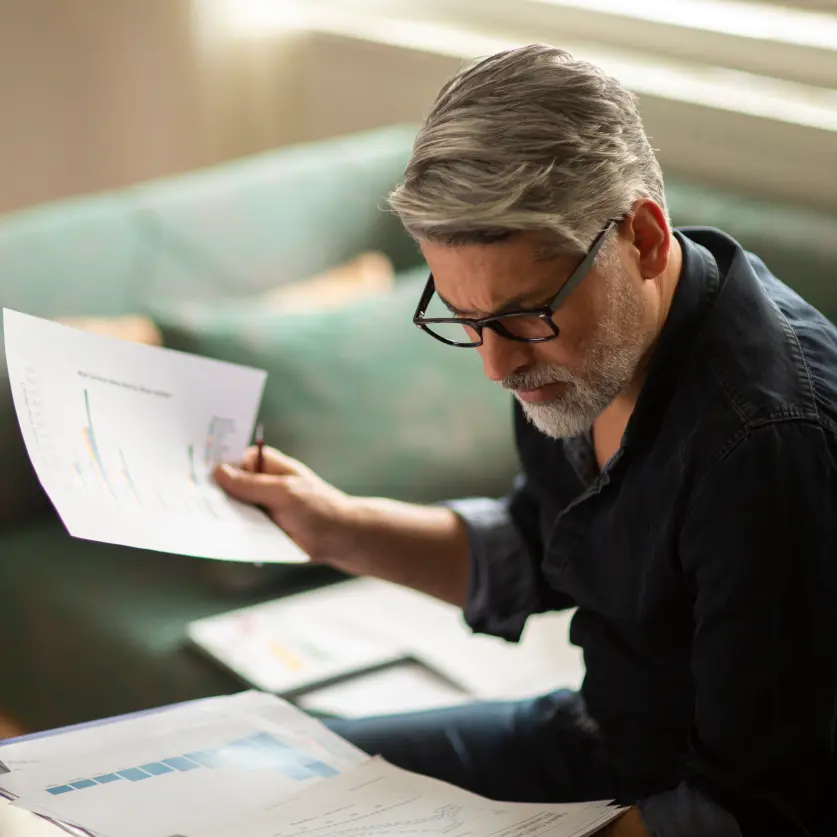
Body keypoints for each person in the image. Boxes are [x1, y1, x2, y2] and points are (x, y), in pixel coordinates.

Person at [214, 44, 837, 837]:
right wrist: (332, 527)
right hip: (602, 740)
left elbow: (750, 810)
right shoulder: (577, 355)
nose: (495, 363)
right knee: (256, 788)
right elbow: (545, 544)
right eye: (465, 319)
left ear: (642, 237)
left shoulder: (766, 445)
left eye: (521, 314)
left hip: (696, 804)